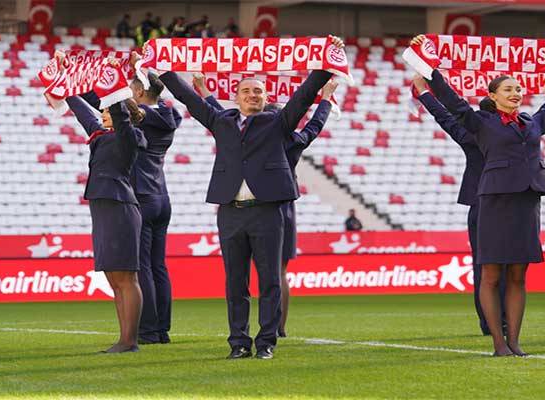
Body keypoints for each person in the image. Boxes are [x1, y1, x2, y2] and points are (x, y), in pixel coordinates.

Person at [156, 36, 344, 360]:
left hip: (268, 212)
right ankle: (238, 343)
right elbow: (189, 98)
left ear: (265, 96)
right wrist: (163, 70)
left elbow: (302, 98)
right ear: (237, 98)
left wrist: (325, 64)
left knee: (270, 280)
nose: (252, 95)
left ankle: (267, 342)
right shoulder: (221, 121)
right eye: (246, 91)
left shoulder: (278, 122)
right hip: (230, 211)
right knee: (235, 283)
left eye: (258, 91)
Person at [415, 34, 545, 357]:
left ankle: (515, 342)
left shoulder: (531, 122)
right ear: (493, 96)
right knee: (491, 274)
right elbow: (452, 104)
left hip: (527, 202)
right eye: (508, 89)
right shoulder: (481, 122)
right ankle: (498, 342)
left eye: (518, 89)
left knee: (518, 274)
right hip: (494, 203)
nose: (516, 93)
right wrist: (428, 69)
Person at [194, 74, 338, 338]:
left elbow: (217, 113)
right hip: (277, 203)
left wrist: (204, 90)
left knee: (269, 275)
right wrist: (326, 101)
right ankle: (276, 328)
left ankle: (270, 332)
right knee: (274, 273)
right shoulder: (287, 137)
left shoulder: (267, 132)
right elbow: (313, 128)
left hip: (271, 204)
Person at [61, 53, 147, 354]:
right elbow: (80, 110)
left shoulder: (129, 136)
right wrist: (65, 80)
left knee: (126, 276)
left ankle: (129, 340)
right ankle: (123, 339)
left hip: (120, 207)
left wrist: (113, 84)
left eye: (107, 110)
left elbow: (119, 114)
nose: (102, 113)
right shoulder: (99, 135)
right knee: (113, 276)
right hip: (104, 207)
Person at [412, 74, 508, 337]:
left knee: (483, 265)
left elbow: (444, 117)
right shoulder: (510, 132)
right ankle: (503, 319)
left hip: (480, 202)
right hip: (507, 202)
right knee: (506, 265)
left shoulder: (471, 134)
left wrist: (423, 93)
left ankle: (489, 321)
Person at [123, 56, 182, 345]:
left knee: (143, 266)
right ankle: (162, 329)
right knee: (159, 266)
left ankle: (147, 330)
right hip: (162, 196)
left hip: (141, 195)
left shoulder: (141, 114)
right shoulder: (170, 117)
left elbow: (129, 110)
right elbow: (161, 113)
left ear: (138, 92)